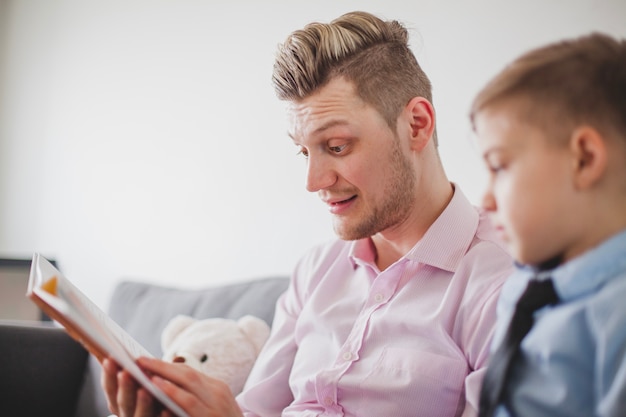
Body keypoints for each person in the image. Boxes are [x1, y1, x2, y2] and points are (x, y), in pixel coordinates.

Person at [102, 11, 513, 417]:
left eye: (336, 146)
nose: (313, 181)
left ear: (417, 125)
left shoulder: (500, 281)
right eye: (304, 152)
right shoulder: (316, 271)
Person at [470, 32, 626, 417]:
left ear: (585, 159)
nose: (485, 199)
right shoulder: (524, 283)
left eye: (499, 166)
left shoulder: (616, 317)